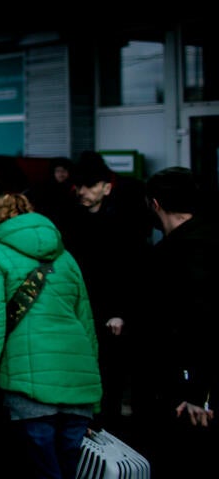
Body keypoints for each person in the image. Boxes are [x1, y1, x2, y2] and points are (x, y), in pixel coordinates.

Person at [0, 192, 101, 479]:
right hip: (78, 388)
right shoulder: (66, 257)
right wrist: (95, 398)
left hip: (29, 390)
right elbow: (87, 328)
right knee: (69, 471)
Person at [129, 167, 217, 476]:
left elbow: (197, 322)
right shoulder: (207, 240)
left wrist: (195, 391)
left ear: (155, 205)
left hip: (182, 391)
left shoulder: (176, 254)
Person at [56, 151, 149, 430]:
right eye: (80, 186)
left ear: (106, 187)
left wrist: (121, 312)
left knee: (110, 378)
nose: (83, 192)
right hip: (81, 311)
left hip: (109, 315)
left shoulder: (123, 223)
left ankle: (107, 430)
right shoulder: (70, 219)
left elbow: (132, 273)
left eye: (90, 186)